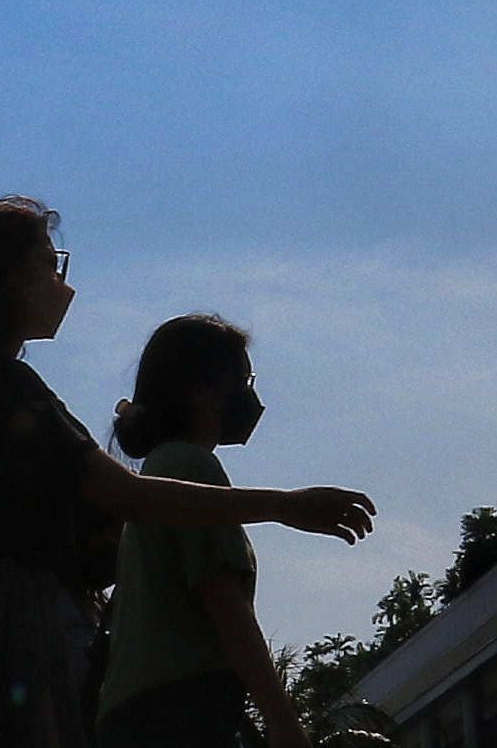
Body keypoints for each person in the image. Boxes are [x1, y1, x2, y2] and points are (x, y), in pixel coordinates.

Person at [0, 198, 377, 748]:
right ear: (7, 281)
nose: (62, 284)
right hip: (8, 636)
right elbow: (127, 496)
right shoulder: (8, 391)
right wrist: (284, 506)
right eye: (48, 264)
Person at [100, 314, 306, 748]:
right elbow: (223, 600)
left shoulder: (160, 471)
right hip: (181, 712)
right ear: (203, 392)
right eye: (243, 381)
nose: (249, 397)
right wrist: (281, 719)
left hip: (134, 713)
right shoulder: (192, 469)